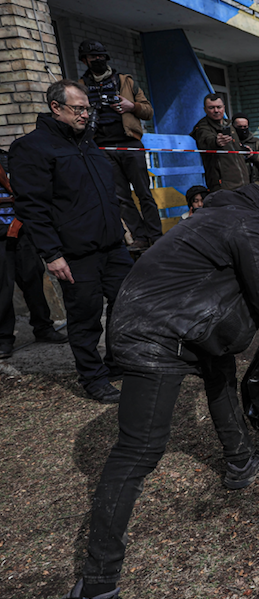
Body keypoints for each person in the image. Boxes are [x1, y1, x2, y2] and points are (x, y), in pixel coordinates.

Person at [57, 182, 259, 599]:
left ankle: (240, 464)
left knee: (220, 372)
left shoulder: (223, 214)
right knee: (137, 451)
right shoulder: (252, 222)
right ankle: (99, 581)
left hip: (177, 323)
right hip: (156, 334)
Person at [10, 79, 132, 404]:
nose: (85, 115)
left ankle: (118, 362)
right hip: (75, 254)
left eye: (87, 109)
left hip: (112, 246)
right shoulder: (32, 147)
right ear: (56, 107)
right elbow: (32, 207)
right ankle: (94, 379)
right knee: (86, 317)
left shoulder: (89, 143)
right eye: (78, 109)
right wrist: (51, 253)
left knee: (128, 304)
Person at [77, 40, 160, 252]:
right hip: (103, 148)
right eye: (93, 58)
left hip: (130, 143)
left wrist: (131, 106)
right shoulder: (81, 86)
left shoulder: (126, 81)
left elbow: (148, 111)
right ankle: (139, 236)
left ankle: (156, 236)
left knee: (144, 193)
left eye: (100, 56)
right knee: (121, 197)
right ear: (85, 60)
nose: (97, 61)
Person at [0, 156, 68, 359]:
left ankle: (43, 327)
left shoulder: (6, 158)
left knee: (33, 278)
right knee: (3, 287)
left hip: (20, 228)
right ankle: (3, 338)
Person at [191, 93, 248, 192]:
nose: (216, 110)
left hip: (243, 183)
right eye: (211, 108)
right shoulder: (202, 127)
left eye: (219, 107)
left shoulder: (230, 124)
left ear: (224, 108)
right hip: (223, 186)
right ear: (205, 109)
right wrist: (216, 142)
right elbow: (206, 140)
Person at [232, 113, 259, 184]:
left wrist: (253, 156)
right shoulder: (229, 143)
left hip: (254, 184)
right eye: (239, 127)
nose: (242, 130)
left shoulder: (255, 142)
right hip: (235, 184)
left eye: (245, 127)